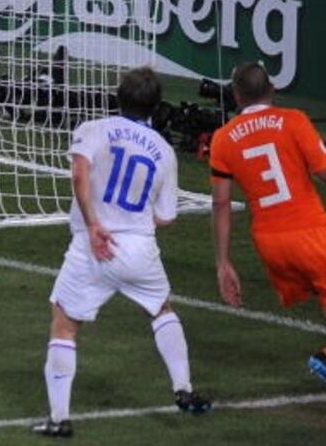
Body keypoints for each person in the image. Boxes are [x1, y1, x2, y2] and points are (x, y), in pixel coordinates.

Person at [33, 67, 211, 438]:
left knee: (64, 325)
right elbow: (166, 218)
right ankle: (184, 389)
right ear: (156, 106)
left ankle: (59, 418)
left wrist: (94, 223)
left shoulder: (93, 129)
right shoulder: (164, 151)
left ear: (118, 96)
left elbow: (79, 174)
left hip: (93, 247)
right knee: (161, 310)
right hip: (139, 249)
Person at [209, 61, 326, 382]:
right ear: (272, 88)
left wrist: (223, 263)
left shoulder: (222, 139)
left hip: (271, 245)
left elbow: (220, 204)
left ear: (236, 96)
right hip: (311, 234)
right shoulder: (294, 120)